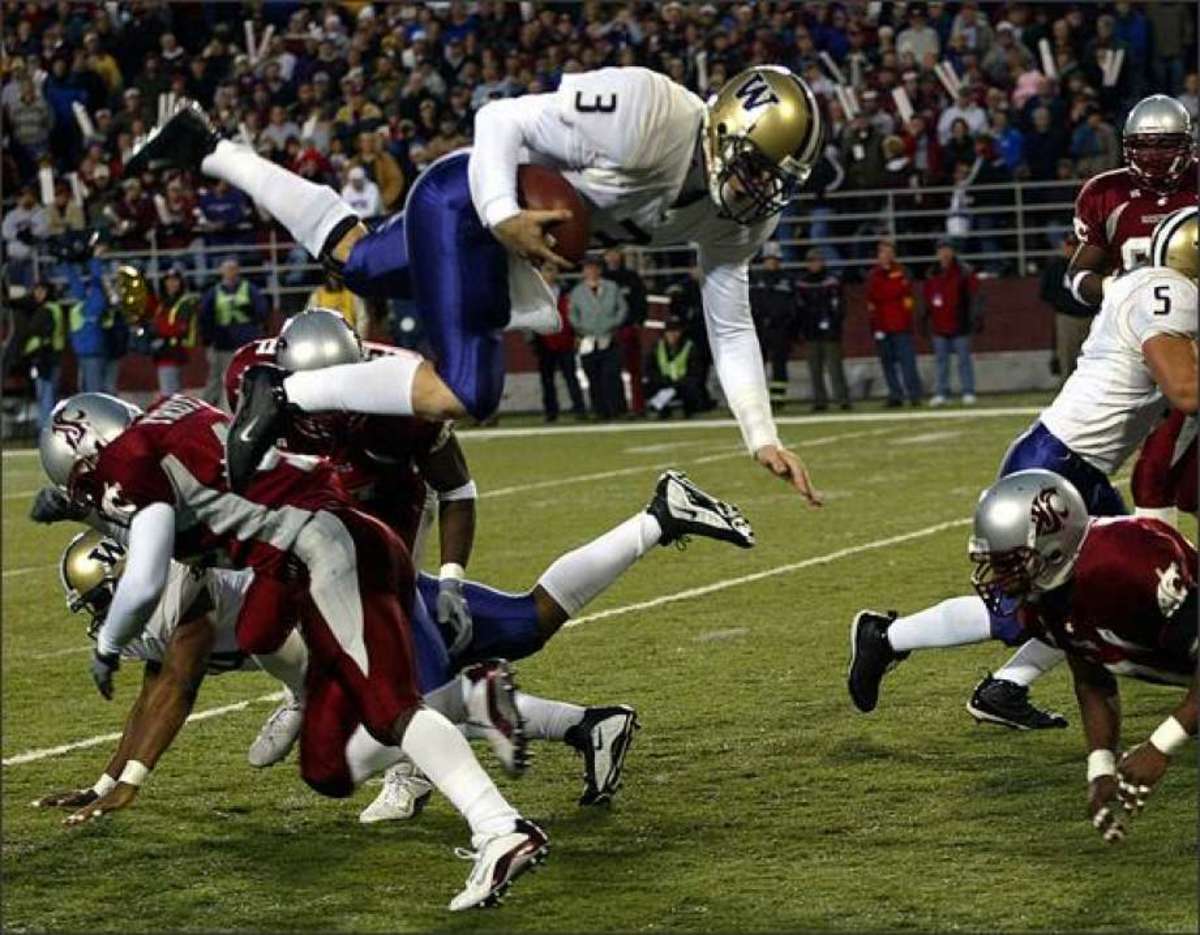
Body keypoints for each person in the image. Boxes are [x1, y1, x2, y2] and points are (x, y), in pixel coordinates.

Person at [127, 66, 826, 503]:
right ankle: (286, 391)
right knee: (471, 390)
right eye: (758, 167)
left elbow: (729, 321)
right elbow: (500, 118)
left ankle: (210, 148)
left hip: (501, 242)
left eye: (775, 181)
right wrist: (504, 216)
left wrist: (760, 433)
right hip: (468, 204)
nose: (760, 190)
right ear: (727, 127)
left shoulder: (740, 216)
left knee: (358, 260)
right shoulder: (648, 114)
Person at [37, 391, 547, 912]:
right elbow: (193, 515)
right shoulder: (171, 421)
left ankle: (499, 825)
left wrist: (107, 645)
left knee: (390, 709)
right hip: (317, 549)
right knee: (324, 765)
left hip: (325, 550)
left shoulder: (132, 468)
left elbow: (151, 589)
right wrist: (107, 779)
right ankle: (442, 704)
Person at [848, 208, 1198, 731]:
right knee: (1026, 608)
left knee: (1100, 595)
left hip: (1079, 466)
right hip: (1057, 465)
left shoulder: (1144, 286)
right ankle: (885, 637)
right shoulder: (1166, 295)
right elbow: (1185, 393)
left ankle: (1005, 687)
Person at [856, 470, 1197, 843]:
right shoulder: (1043, 601)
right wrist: (1100, 767)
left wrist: (1160, 745)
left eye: (1009, 563)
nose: (998, 578)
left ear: (1053, 546)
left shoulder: (1125, 563)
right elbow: (1092, 678)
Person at [1067, 95, 1197, 309]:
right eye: (1143, 145)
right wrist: (1115, 289)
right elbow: (1079, 273)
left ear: (1187, 145)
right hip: (1128, 324)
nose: (1153, 155)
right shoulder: (1106, 192)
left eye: (1165, 145)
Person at [198, 259, 267, 408]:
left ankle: (250, 406)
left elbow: (262, 310)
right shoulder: (213, 292)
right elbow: (204, 315)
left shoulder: (249, 289)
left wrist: (251, 314)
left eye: (233, 269)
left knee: (247, 377)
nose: (230, 273)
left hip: (245, 342)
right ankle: (208, 409)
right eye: (227, 269)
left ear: (238, 271)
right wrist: (208, 338)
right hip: (222, 343)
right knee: (215, 380)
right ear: (221, 272)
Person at [921, 241, 981, 406]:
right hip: (939, 324)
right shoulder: (931, 273)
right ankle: (942, 392)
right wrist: (924, 318)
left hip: (960, 324)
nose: (944, 254)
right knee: (941, 361)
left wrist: (974, 318)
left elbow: (974, 296)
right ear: (937, 254)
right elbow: (926, 299)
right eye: (941, 251)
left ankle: (968, 391)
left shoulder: (964, 272)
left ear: (953, 252)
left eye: (947, 250)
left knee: (963, 360)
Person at [569, 255, 626, 421]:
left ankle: (616, 409)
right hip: (588, 339)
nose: (591, 271)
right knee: (593, 376)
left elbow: (622, 308)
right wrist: (583, 328)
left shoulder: (611, 287)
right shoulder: (577, 291)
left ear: (600, 270)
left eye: (594, 267)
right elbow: (573, 315)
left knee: (611, 374)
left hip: (609, 336)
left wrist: (612, 323)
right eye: (588, 268)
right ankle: (600, 411)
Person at [865, 240, 922, 407]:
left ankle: (914, 394)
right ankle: (895, 394)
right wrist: (875, 327)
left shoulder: (902, 272)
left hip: (901, 325)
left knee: (908, 362)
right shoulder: (873, 275)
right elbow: (871, 300)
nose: (886, 255)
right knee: (887, 363)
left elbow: (905, 295)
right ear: (878, 255)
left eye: (889, 252)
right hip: (882, 326)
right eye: (883, 252)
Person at [794, 249, 849, 412]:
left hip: (830, 332)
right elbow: (799, 308)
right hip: (811, 331)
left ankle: (842, 399)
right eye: (811, 261)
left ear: (822, 262)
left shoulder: (832, 281)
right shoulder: (802, 282)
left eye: (817, 260)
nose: (814, 264)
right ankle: (820, 400)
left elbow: (839, 306)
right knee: (815, 369)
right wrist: (802, 328)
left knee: (834, 368)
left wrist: (834, 325)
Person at [1039, 231, 1097, 380]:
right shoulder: (1056, 267)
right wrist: (1064, 306)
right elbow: (1047, 292)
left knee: (1094, 360)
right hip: (1067, 318)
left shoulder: (1091, 265)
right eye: (1069, 245)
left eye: (1075, 245)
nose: (1071, 249)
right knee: (1067, 359)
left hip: (1091, 317)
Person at [532, 265, 586, 423]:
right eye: (546, 270)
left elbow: (573, 314)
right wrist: (532, 340)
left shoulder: (566, 291)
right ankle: (551, 412)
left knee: (571, 377)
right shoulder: (534, 293)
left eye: (552, 270)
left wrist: (576, 334)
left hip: (565, 340)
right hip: (543, 341)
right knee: (547, 380)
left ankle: (579, 409)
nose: (549, 274)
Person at [602, 248, 648, 417]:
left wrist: (638, 322)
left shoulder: (631, 277)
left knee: (634, 369)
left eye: (615, 253)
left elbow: (640, 300)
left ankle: (638, 407)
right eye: (609, 253)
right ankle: (616, 407)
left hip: (628, 327)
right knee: (611, 371)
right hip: (607, 330)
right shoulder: (602, 278)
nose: (612, 257)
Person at [749, 251, 796, 403]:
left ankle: (778, 397)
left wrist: (787, 324)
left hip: (780, 328)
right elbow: (752, 303)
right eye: (768, 260)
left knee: (779, 363)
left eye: (774, 260)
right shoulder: (756, 279)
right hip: (760, 327)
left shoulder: (787, 280)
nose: (771, 263)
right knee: (757, 365)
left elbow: (791, 305)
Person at [21, 280, 66, 427]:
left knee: (46, 395)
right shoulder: (53, 308)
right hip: (51, 356)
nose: (37, 294)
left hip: (45, 357)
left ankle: (46, 428)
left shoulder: (46, 310)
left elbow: (43, 334)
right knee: (47, 394)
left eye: (41, 291)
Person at [64, 252, 109, 393]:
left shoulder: (97, 303)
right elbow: (74, 283)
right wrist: (67, 264)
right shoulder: (82, 302)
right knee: (86, 390)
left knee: (93, 391)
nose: (88, 289)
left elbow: (96, 280)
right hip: (82, 353)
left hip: (92, 354)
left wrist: (95, 259)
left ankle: (97, 414)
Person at [644, 317, 705, 419]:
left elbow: (696, 372)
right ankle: (659, 409)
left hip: (683, 385)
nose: (673, 335)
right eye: (670, 332)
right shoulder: (656, 347)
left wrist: (679, 383)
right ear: (665, 333)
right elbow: (649, 370)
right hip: (663, 384)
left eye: (676, 331)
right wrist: (662, 380)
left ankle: (689, 410)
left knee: (693, 388)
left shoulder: (690, 347)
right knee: (649, 386)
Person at [152, 266, 199, 397]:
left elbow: (180, 327)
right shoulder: (163, 303)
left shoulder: (185, 302)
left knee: (170, 396)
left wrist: (160, 332)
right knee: (171, 393)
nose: (171, 284)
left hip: (175, 351)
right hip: (164, 352)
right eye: (168, 280)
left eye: (175, 280)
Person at [2, 186, 48, 287]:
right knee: (15, 289)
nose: (25, 198)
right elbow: (5, 231)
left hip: (33, 259)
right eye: (22, 196)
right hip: (14, 258)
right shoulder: (12, 214)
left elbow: (44, 230)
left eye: (28, 195)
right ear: (18, 199)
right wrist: (18, 234)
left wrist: (31, 234)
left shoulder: (40, 212)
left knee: (30, 289)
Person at [306, 270, 370, 339]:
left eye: (336, 277)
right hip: (325, 337)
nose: (334, 280)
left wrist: (358, 339)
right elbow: (310, 318)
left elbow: (362, 319)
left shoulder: (352, 294)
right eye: (331, 276)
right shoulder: (318, 295)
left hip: (348, 338)